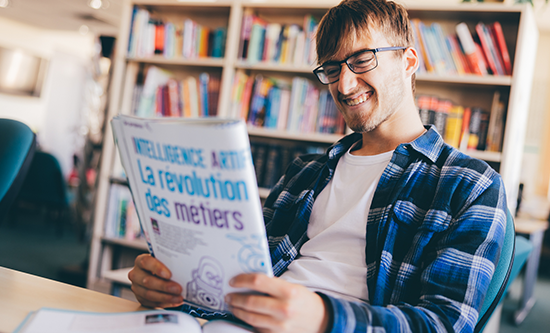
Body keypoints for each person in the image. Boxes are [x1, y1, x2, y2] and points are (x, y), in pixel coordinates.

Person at [128, 0, 507, 332]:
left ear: (407, 61)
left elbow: (443, 324)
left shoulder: (469, 184)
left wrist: (323, 319)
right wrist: (174, 291)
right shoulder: (305, 171)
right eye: (331, 68)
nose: (343, 86)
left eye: (361, 60)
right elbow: (240, 275)